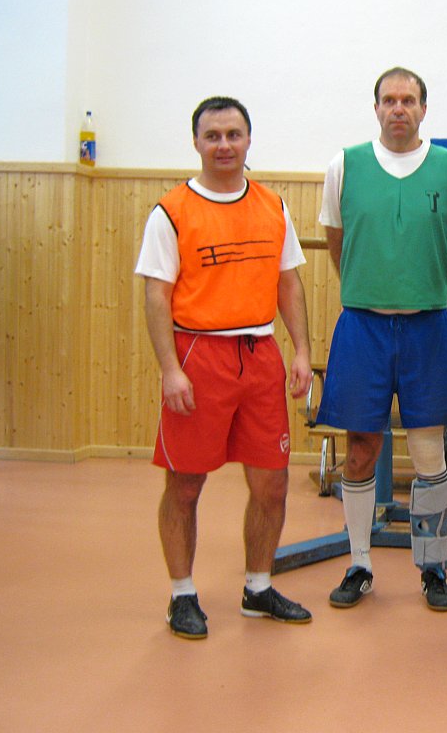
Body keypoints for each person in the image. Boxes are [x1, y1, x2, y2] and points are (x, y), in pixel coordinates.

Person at [135, 96, 314, 639]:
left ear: (248, 139)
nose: (224, 145)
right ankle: (181, 595)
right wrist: (170, 369)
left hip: (259, 355)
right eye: (212, 136)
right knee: (186, 484)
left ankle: (258, 588)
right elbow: (156, 296)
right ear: (196, 142)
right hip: (198, 356)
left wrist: (301, 350)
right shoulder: (171, 212)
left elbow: (288, 283)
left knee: (272, 484)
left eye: (233, 134)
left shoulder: (272, 206)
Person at [317, 67, 447, 611]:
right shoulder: (345, 165)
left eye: (408, 100)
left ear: (423, 109)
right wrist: (372, 288)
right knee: (361, 448)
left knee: (429, 450)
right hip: (362, 326)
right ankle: (359, 563)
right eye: (389, 100)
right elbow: (337, 240)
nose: (398, 109)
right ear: (376, 108)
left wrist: (420, 288)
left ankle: (433, 567)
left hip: (426, 326)